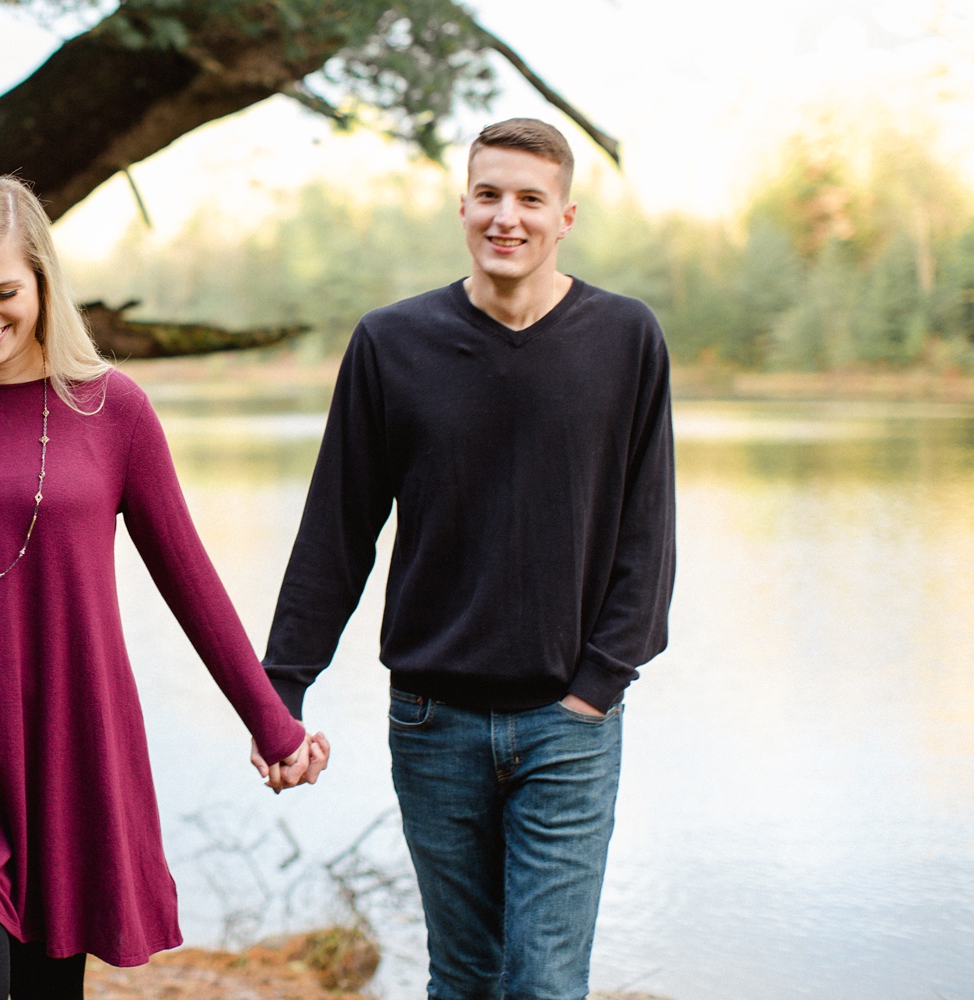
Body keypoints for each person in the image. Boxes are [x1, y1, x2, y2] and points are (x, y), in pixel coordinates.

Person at [0, 175, 329, 1000]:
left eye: (4, 292)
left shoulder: (112, 409)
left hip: (69, 743)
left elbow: (189, 577)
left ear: (42, 283)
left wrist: (273, 723)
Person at [260, 118, 675, 1000]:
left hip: (570, 723)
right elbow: (336, 532)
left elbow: (648, 534)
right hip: (432, 719)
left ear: (566, 216)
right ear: (463, 206)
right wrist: (278, 692)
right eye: (490, 195)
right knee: (466, 978)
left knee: (547, 984)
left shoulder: (625, 340)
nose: (507, 217)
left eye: (531, 198)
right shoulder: (391, 343)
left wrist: (597, 686)